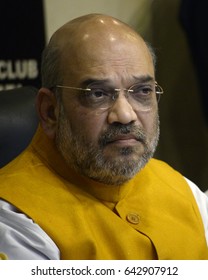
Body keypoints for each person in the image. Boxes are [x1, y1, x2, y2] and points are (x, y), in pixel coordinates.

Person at [0, 13, 208, 260]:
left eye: (142, 91)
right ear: (50, 111)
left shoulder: (185, 191)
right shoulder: (13, 219)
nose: (125, 114)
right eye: (97, 94)